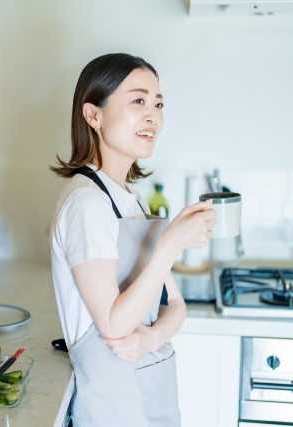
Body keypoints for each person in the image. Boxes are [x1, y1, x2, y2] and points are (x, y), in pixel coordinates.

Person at [49, 53, 216, 426]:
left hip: (151, 395)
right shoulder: (87, 202)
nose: (152, 115)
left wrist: (150, 340)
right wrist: (171, 242)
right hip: (112, 408)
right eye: (138, 100)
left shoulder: (131, 198)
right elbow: (112, 324)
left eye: (158, 103)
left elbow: (175, 307)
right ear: (93, 115)